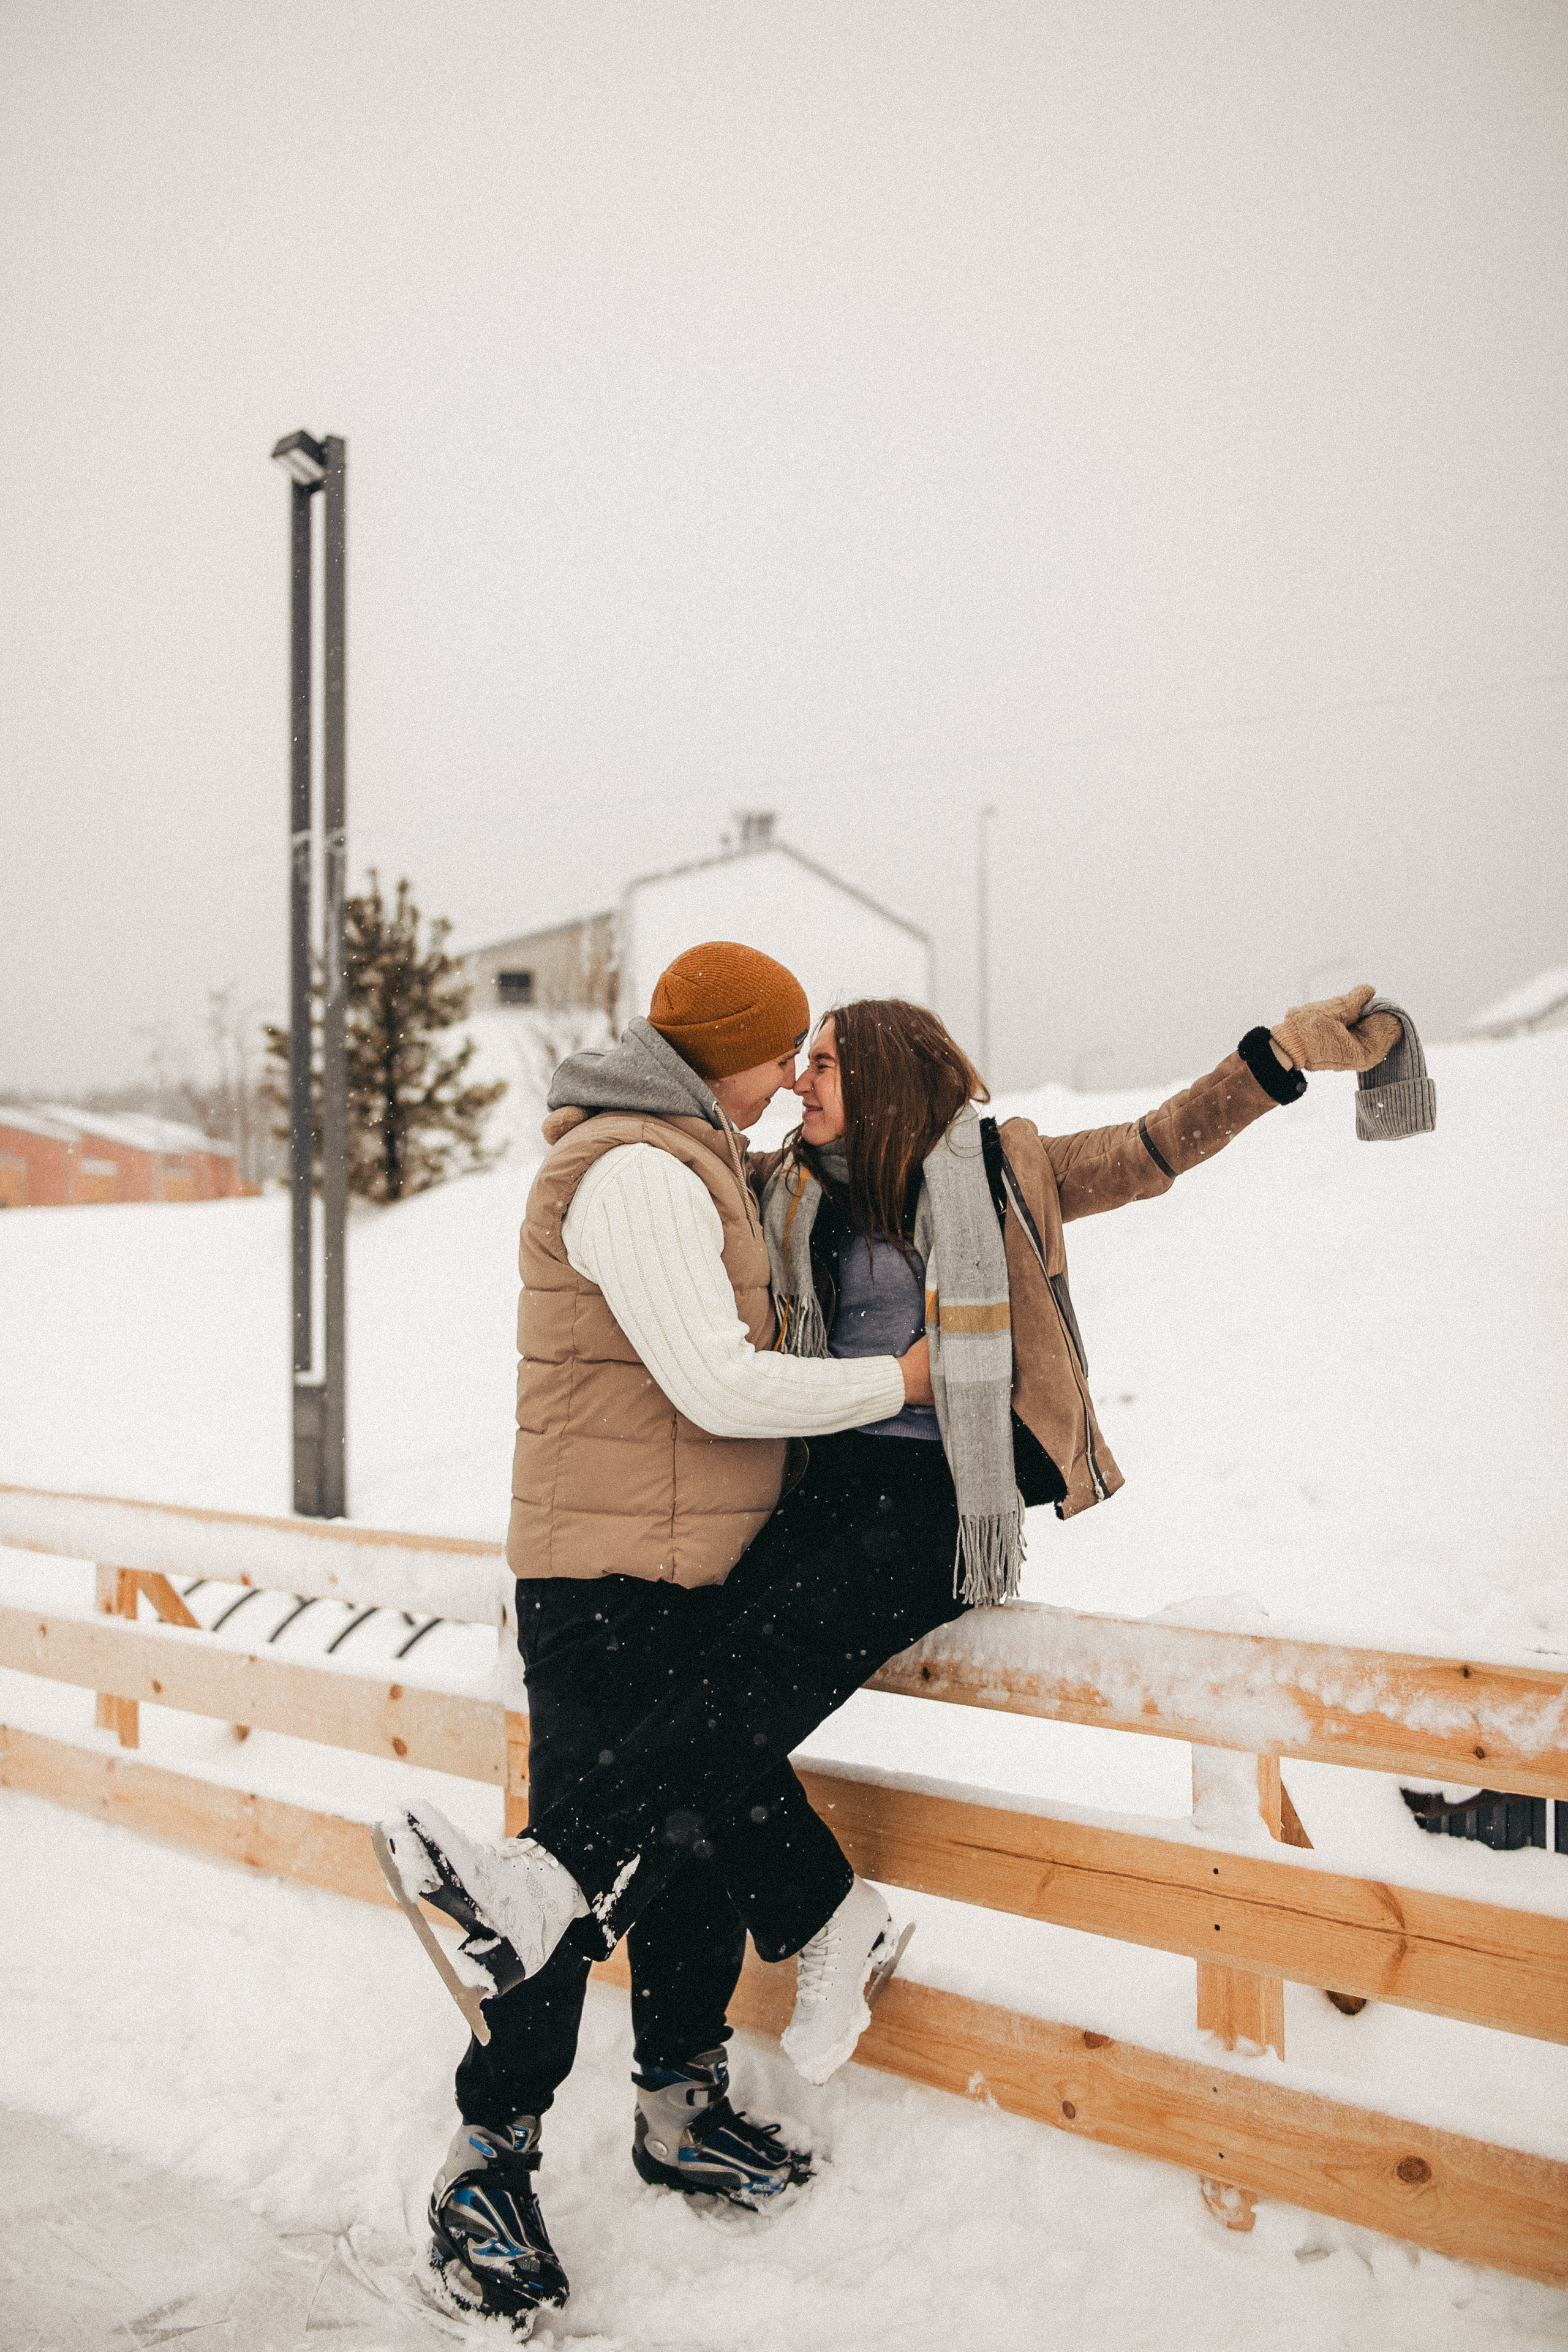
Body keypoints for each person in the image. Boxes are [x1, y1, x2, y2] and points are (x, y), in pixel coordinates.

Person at [381, 973, 1400, 2332]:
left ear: (890, 1076)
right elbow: (671, 1208)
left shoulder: (1001, 1167)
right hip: (775, 1508)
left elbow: (1154, 1148)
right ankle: (689, 1994)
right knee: (703, 1739)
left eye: (822, 1066)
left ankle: (588, 1921)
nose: (799, 1084)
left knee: (702, 1736)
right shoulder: (761, 1182)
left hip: (926, 1507)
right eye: (787, 1064)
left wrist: (1276, 1059)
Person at [375, 940, 935, 2336]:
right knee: (558, 1876)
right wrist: (899, 1381)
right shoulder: (632, 1167)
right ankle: (483, 2167)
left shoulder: (694, 1152)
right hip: (603, 1575)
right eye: (787, 1045)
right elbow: (714, 1381)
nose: (795, 1073)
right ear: (729, 1046)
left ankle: (678, 2105)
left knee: (678, 1844)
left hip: (687, 1570)